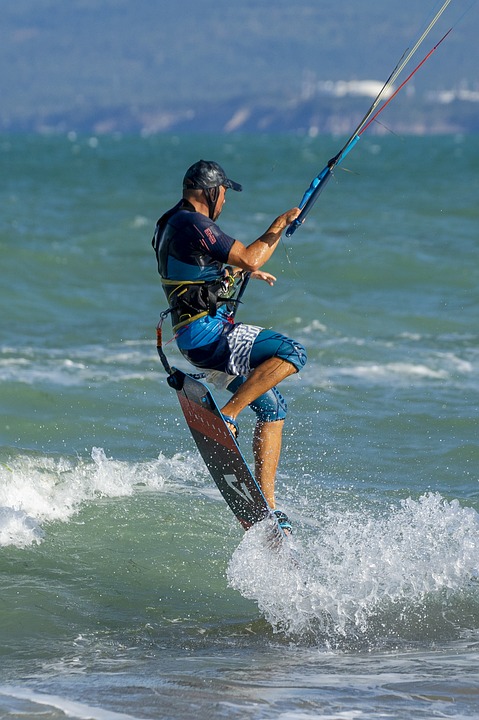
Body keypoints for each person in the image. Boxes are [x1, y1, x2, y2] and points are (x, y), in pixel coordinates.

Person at [152, 160, 307, 533]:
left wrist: (238, 271)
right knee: (292, 353)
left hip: (193, 339)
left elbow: (197, 270)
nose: (225, 200)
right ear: (211, 192)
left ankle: (267, 508)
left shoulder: (170, 223)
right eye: (224, 192)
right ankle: (229, 415)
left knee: (273, 407)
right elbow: (250, 254)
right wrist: (279, 224)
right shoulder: (194, 224)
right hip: (209, 335)